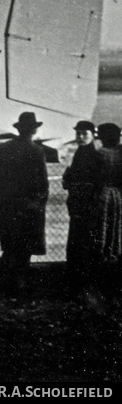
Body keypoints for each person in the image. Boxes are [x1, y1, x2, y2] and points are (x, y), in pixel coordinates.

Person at [0, 112, 49, 294]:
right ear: (33, 130)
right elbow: (43, 182)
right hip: (30, 207)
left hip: (8, 205)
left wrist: (7, 197)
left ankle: (4, 282)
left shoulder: (4, 148)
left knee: (9, 245)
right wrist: (38, 203)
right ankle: (19, 282)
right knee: (25, 248)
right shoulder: (37, 151)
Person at [62, 120, 99, 286]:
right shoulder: (78, 152)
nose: (81, 137)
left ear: (93, 135)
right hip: (79, 204)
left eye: (84, 134)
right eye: (78, 133)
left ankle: (80, 277)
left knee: (81, 242)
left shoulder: (90, 154)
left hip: (87, 205)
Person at [90, 123, 122, 301]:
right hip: (118, 195)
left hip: (102, 195)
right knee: (116, 231)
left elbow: (94, 178)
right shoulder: (120, 152)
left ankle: (103, 267)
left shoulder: (99, 154)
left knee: (102, 232)